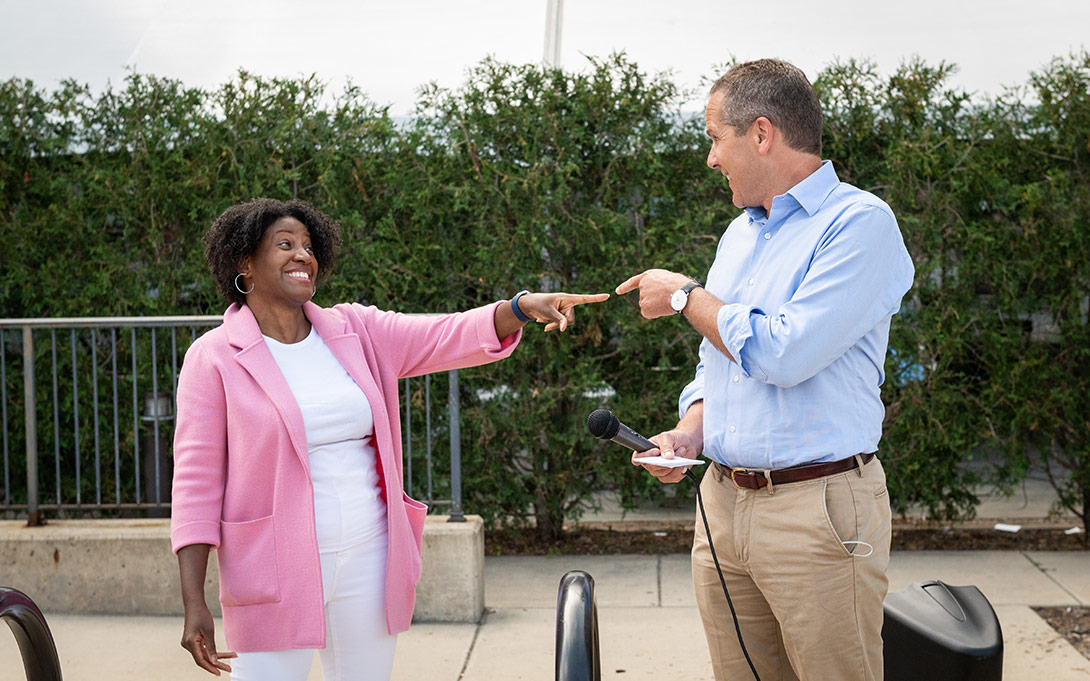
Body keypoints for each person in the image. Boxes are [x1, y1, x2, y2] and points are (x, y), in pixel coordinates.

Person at [170, 198, 608, 681]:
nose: (302, 255)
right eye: (285, 245)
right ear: (245, 264)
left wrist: (521, 307)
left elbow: (446, 333)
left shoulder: (355, 330)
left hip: (369, 557)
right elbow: (195, 485)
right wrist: (195, 603)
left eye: (309, 245)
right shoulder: (213, 357)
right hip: (273, 571)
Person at [616, 59, 914, 681]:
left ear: (761, 133)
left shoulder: (859, 225)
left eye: (713, 139)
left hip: (818, 511)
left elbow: (784, 353)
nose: (710, 159)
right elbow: (718, 361)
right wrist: (689, 432)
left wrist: (682, 296)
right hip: (721, 503)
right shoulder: (739, 234)